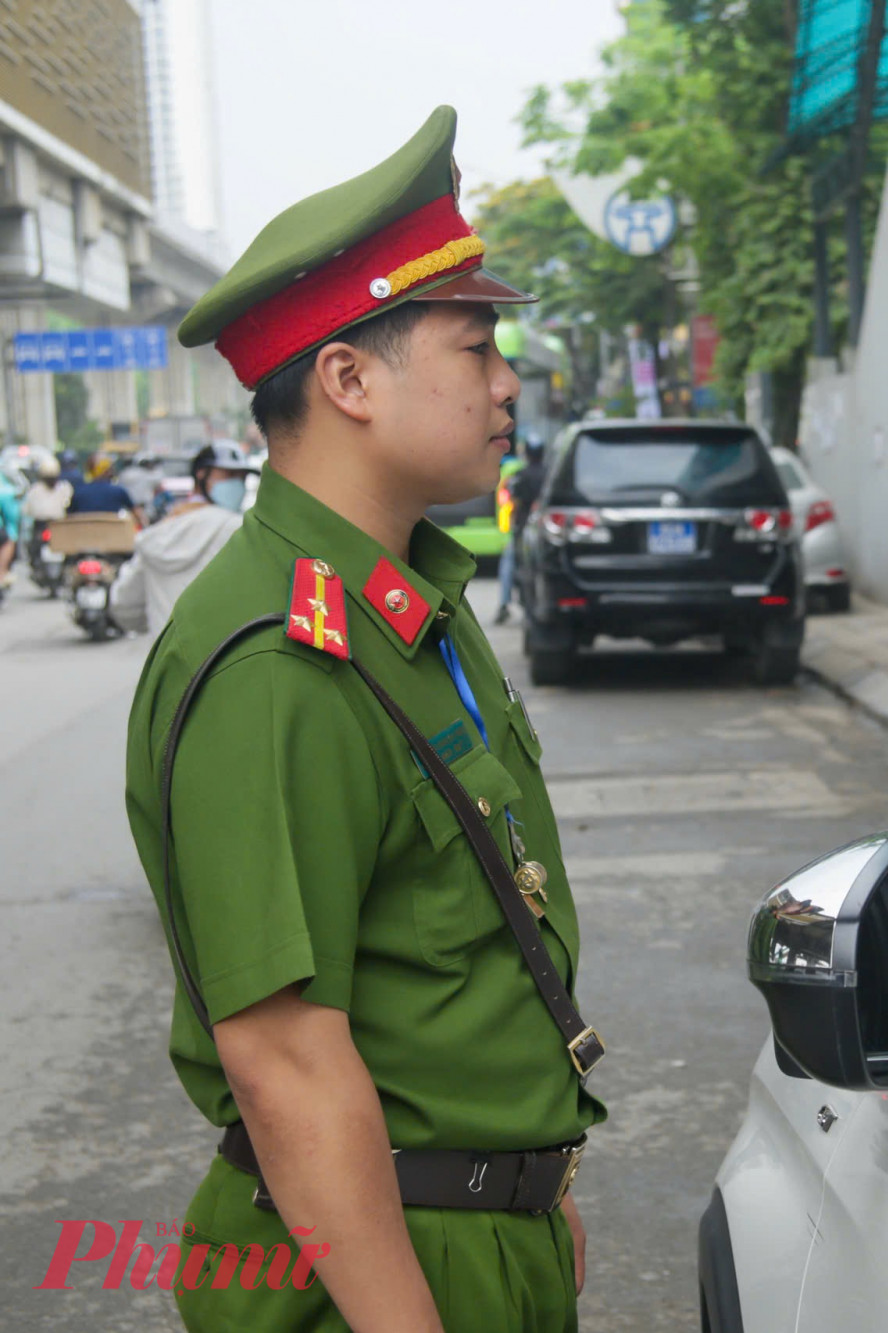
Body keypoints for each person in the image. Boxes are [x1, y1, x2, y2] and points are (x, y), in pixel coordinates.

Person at [123, 106, 604, 1332]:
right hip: (366, 1273)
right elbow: (284, 1060)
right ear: (347, 378)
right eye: (473, 344)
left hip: (470, 1235)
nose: (507, 382)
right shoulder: (275, 659)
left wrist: (531, 1193)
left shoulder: (406, 606)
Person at [108, 441, 256, 635]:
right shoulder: (242, 530)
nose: (238, 484)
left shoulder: (158, 534)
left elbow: (124, 607)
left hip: (168, 662)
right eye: (229, 475)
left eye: (242, 478)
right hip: (226, 659)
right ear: (201, 475)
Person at [494, 433, 545, 624]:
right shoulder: (549, 474)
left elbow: (511, 501)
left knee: (508, 564)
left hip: (522, 530)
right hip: (542, 533)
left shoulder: (520, 476)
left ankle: (504, 605)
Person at [66, 452, 143, 524]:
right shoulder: (119, 491)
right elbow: (138, 515)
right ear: (108, 470)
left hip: (84, 537)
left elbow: (69, 518)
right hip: (113, 536)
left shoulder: (78, 493)